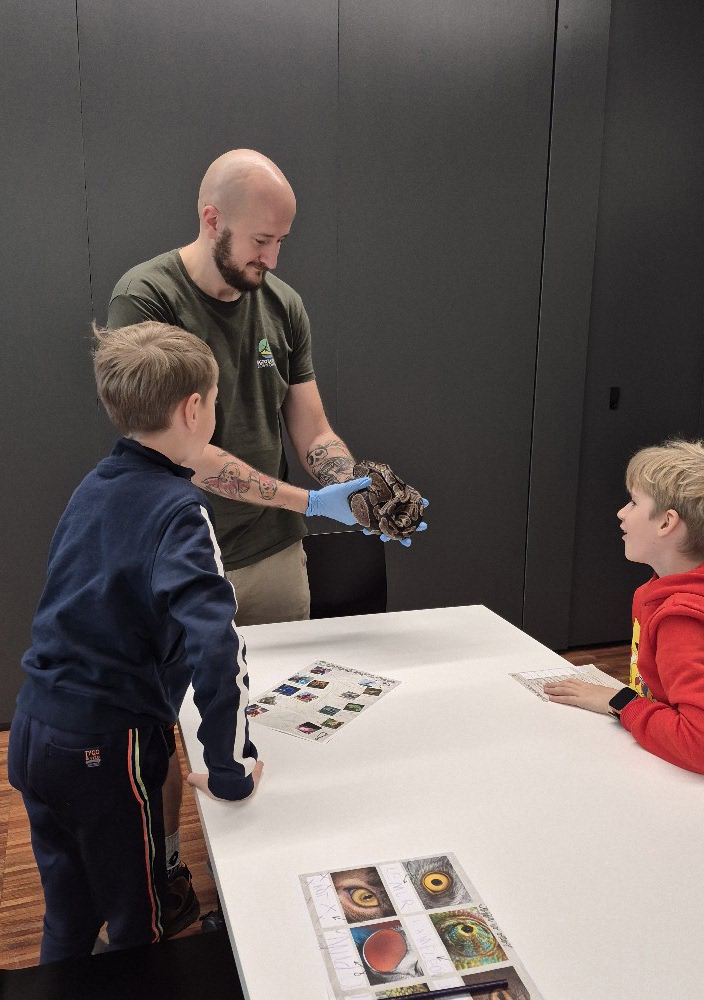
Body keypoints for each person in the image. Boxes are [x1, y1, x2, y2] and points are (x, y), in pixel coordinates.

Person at [107, 148, 425, 928]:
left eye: (281, 242)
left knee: (270, 722)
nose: (271, 258)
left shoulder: (281, 305)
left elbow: (309, 426)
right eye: (259, 240)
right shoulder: (147, 297)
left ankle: (274, 886)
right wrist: (312, 498)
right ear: (210, 217)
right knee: (166, 727)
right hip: (177, 556)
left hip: (273, 552)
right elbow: (186, 451)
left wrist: (354, 484)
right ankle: (170, 871)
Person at [8, 322, 264, 962]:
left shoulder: (92, 485)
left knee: (68, 915)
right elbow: (218, 649)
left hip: (35, 731)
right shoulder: (181, 510)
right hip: (107, 750)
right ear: (193, 409)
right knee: (140, 927)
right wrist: (230, 770)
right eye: (215, 401)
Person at [544, 439, 704, 780]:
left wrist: (620, 702)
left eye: (634, 502)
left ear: (666, 523)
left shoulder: (684, 619)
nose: (621, 513)